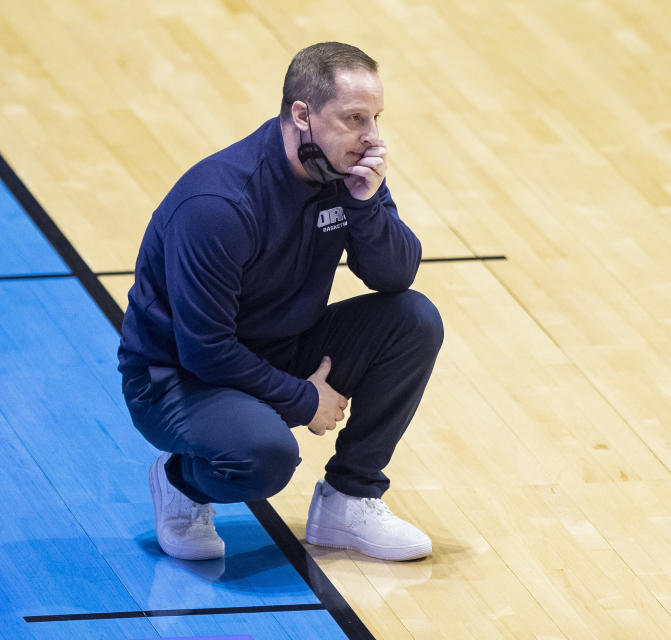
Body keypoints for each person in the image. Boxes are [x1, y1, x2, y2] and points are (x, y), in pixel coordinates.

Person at [118, 42, 443, 562]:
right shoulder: (218, 204)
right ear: (302, 114)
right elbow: (205, 350)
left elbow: (395, 275)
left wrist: (365, 207)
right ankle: (181, 481)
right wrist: (303, 399)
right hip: (178, 376)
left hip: (281, 344)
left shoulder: (349, 173)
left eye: (377, 118)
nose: (372, 138)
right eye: (355, 118)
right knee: (265, 456)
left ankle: (349, 498)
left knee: (414, 319)